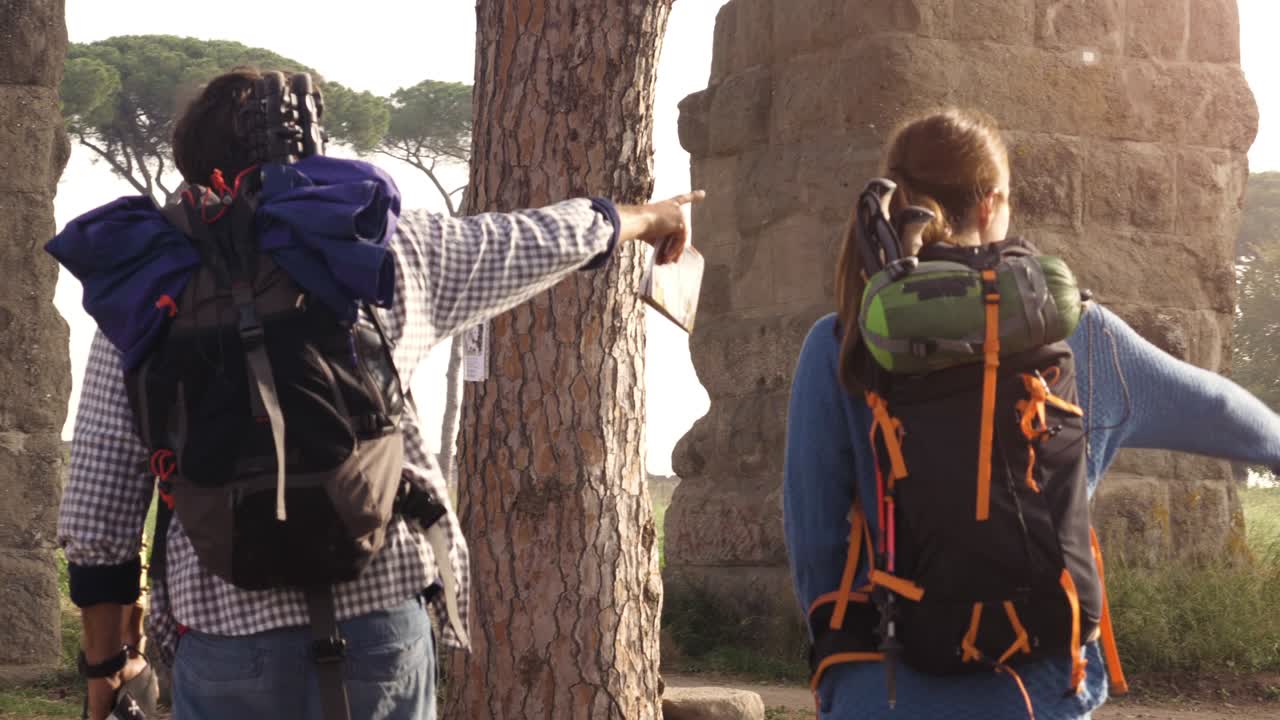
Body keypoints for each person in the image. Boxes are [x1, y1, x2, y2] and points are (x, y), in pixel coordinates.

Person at [54, 67, 703, 720]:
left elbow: (98, 516)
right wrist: (650, 218)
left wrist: (106, 671)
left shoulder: (146, 287)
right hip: (380, 629)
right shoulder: (383, 246)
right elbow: (539, 238)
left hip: (228, 643)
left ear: (195, 168)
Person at [783, 107, 1280, 720]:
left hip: (882, 691)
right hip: (1038, 692)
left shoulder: (840, 342)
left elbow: (816, 545)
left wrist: (842, 681)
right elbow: (1223, 409)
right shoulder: (1080, 336)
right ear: (992, 203)